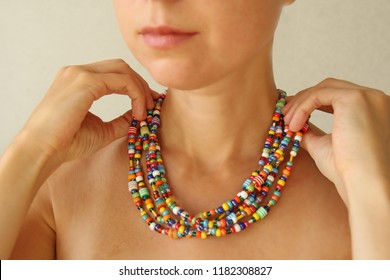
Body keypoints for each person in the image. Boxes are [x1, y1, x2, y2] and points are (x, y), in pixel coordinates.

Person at [0, 0, 389, 260]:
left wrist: (373, 192)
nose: (158, 2)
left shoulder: (360, 194)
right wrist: (27, 154)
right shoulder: (52, 187)